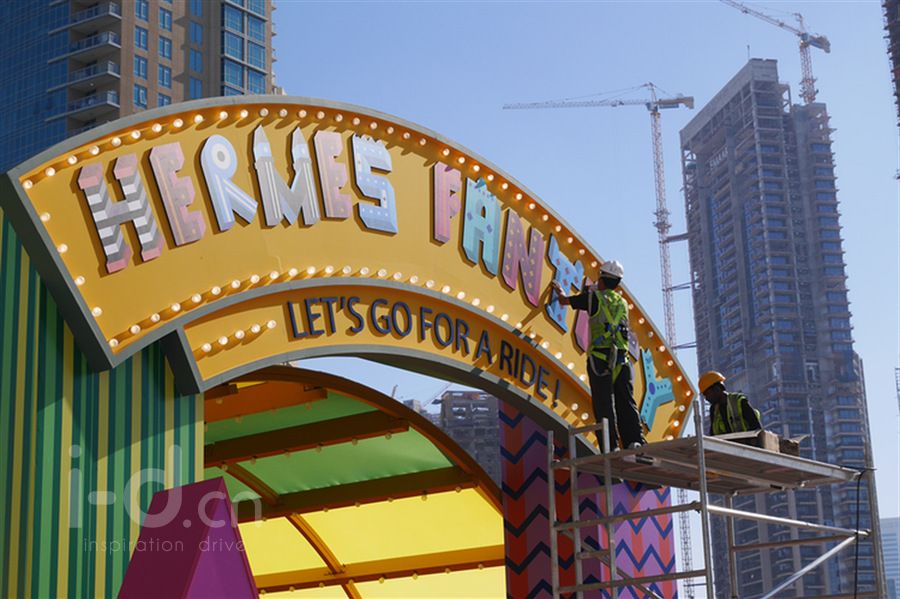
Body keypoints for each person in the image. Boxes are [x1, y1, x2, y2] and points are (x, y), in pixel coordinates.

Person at [551, 260, 646, 450]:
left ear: (602, 279)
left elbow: (564, 301)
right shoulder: (623, 303)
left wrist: (560, 291)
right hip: (622, 360)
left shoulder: (594, 298)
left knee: (604, 404)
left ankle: (610, 446)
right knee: (626, 402)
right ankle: (635, 441)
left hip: (600, 360)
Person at [698, 371, 762, 436]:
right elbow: (713, 435)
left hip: (746, 441)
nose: (706, 398)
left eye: (707, 394)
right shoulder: (714, 410)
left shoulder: (738, 401)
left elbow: (756, 428)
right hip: (726, 442)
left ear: (717, 389)